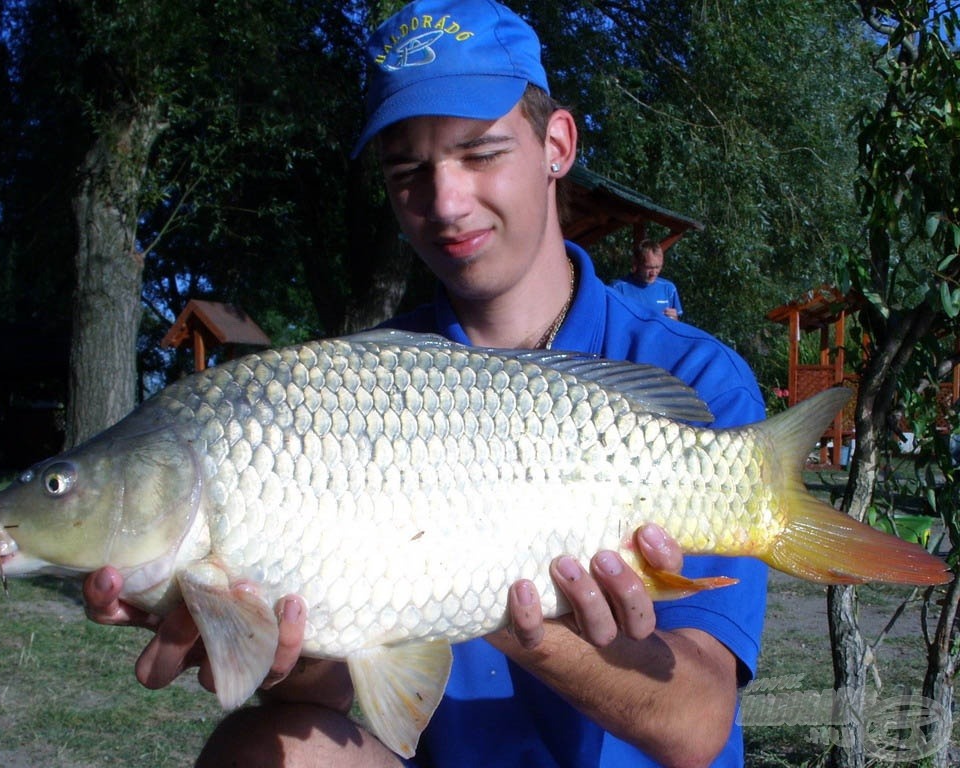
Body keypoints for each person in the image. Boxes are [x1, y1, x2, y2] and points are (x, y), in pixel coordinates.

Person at [83, 1, 768, 765]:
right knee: (260, 746)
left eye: (479, 153)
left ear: (557, 145)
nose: (444, 202)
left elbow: (699, 725)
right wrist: (281, 645)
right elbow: (338, 695)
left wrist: (500, 605)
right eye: (407, 170)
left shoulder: (693, 378)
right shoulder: (351, 389)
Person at [612, 239, 683, 320]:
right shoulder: (618, 288)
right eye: (649, 267)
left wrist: (674, 319)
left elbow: (677, 325)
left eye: (658, 267)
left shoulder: (669, 289)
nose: (654, 273)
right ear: (637, 263)